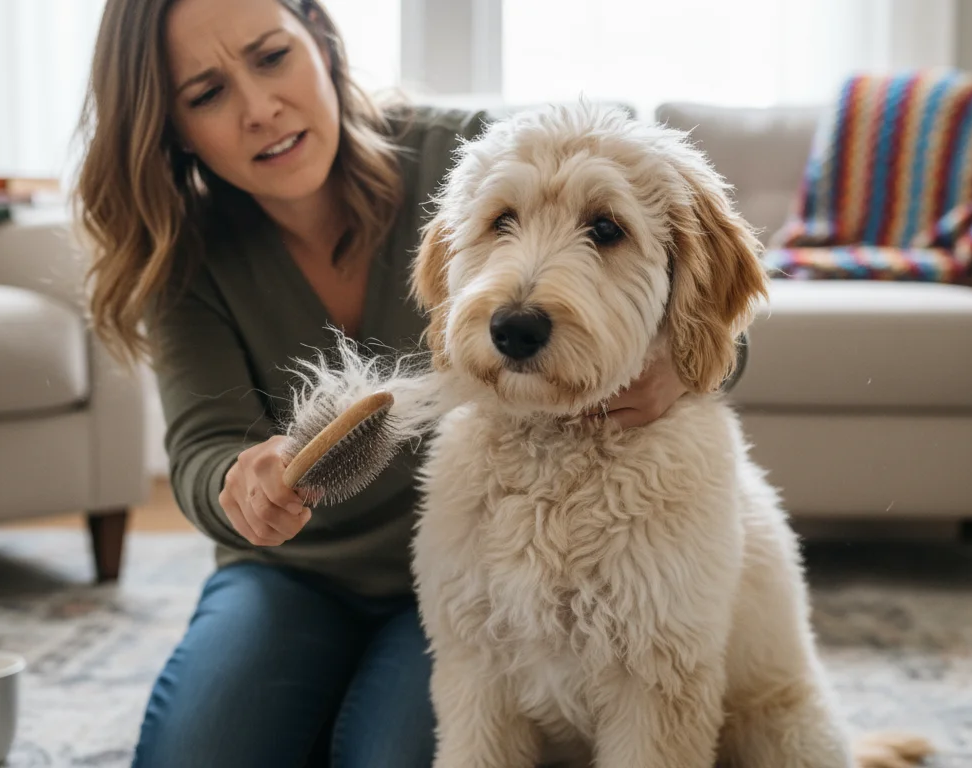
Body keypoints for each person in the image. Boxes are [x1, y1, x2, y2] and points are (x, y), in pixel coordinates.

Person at [72, 0, 716, 765]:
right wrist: (239, 486)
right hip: (289, 576)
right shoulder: (183, 255)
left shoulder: (473, 160)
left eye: (272, 56)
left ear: (321, 39)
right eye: (207, 95)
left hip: (470, 574)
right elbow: (204, 451)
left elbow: (699, 298)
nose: (259, 108)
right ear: (172, 127)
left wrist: (673, 370)